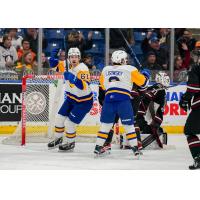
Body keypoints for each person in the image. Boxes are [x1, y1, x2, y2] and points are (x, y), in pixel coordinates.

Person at [94, 50, 150, 156]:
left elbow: (103, 86)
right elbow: (143, 84)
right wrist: (146, 76)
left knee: (105, 126)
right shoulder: (130, 69)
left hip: (108, 100)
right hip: (123, 100)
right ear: (123, 59)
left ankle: (98, 146)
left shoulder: (105, 69)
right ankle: (135, 148)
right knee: (129, 125)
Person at [47, 47, 93, 151]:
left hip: (84, 101)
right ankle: (58, 139)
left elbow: (84, 86)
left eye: (76, 57)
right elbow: (55, 66)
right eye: (71, 56)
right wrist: (53, 58)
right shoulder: (66, 64)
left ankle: (70, 142)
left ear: (79, 57)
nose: (74, 59)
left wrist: (73, 78)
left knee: (70, 123)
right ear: (69, 57)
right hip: (71, 98)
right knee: (59, 118)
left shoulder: (83, 68)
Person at [135, 71, 170, 149]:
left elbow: (145, 96)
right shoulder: (158, 89)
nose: (168, 82)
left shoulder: (159, 89)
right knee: (149, 129)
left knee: (153, 129)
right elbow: (146, 97)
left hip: (144, 117)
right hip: (144, 118)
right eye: (166, 80)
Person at [179, 63, 200, 170]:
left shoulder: (196, 68)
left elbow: (193, 88)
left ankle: (198, 158)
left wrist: (185, 99)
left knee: (189, 131)